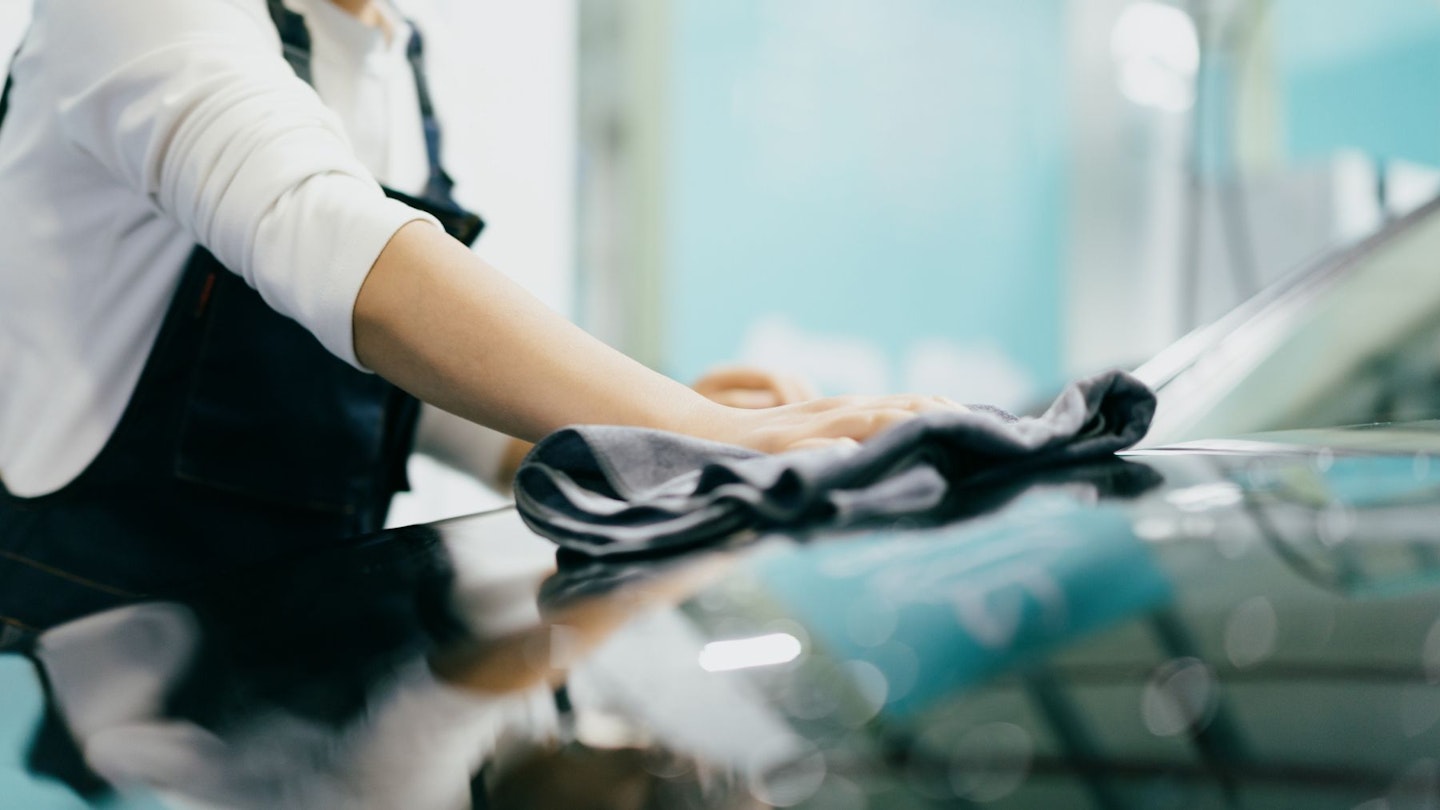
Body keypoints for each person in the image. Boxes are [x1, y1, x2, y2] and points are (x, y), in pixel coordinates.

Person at [0, 0, 961, 629]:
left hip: (298, 665)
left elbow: (368, 376)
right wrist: (698, 429)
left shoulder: (387, 54)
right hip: (76, 676)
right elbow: (323, 238)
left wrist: (624, 441)